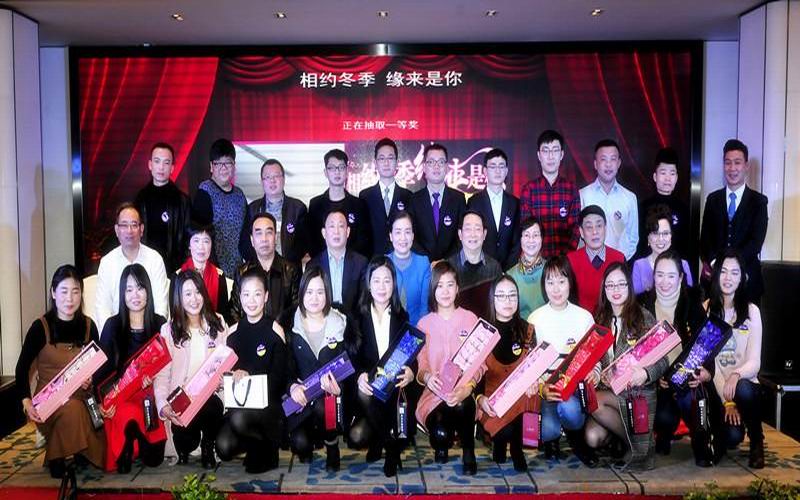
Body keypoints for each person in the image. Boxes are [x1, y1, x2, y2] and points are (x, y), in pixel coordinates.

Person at [16, 265, 105, 478]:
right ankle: (62, 454)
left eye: (75, 291)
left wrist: (91, 380)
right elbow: (21, 368)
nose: (70, 299)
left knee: (97, 427)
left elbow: (98, 368)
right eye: (64, 291)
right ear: (53, 293)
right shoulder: (40, 327)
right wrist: (26, 402)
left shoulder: (89, 326)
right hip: (49, 403)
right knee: (73, 409)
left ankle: (67, 450)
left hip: (83, 397)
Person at [585, 263, 665, 471]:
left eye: (621, 284)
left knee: (595, 401)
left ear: (629, 286)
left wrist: (646, 373)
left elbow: (663, 360)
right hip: (609, 390)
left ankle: (638, 447)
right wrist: (596, 373)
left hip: (635, 393)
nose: (616, 290)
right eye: (610, 285)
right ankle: (624, 440)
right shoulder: (599, 318)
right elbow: (593, 357)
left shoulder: (643, 317)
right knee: (592, 437)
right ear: (604, 289)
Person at [637, 250, 709, 465]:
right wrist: (653, 375)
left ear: (680, 277)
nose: (664, 282)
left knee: (691, 399)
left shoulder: (693, 304)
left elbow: (705, 344)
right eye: (659, 275)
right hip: (660, 380)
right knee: (663, 417)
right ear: (653, 276)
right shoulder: (643, 305)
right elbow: (637, 351)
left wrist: (704, 372)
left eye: (671, 276)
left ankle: (701, 442)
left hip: (689, 378)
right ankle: (663, 434)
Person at [94, 264, 167, 473]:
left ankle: (136, 438)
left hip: (149, 397)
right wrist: (101, 402)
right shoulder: (112, 326)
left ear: (148, 291)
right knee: (128, 414)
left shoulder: (160, 324)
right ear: (122, 294)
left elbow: (167, 365)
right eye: (129, 289)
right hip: (122, 399)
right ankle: (128, 439)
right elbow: (100, 372)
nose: (135, 295)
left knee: (155, 459)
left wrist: (155, 380)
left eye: (140, 288)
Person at [216, 267, 290, 473]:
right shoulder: (232, 334)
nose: (251, 300)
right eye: (246, 294)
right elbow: (226, 375)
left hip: (268, 408)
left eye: (257, 294)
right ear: (239, 297)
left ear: (265, 297)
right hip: (240, 406)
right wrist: (224, 380)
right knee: (223, 447)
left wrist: (249, 377)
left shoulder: (275, 330)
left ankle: (269, 448)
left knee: (239, 419)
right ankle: (255, 446)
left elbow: (279, 380)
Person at [154, 270, 229, 469]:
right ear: (179, 297)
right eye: (187, 294)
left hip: (210, 398)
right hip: (180, 403)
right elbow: (162, 375)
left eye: (197, 292)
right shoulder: (168, 331)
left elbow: (227, 364)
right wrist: (163, 405)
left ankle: (208, 445)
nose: (194, 299)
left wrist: (223, 380)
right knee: (186, 442)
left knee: (211, 406)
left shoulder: (218, 323)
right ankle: (188, 444)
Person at [527, 256, 598, 466]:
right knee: (546, 431)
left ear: (570, 283)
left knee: (569, 410)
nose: (556, 289)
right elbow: (528, 365)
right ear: (544, 286)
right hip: (547, 391)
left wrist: (595, 371)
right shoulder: (535, 319)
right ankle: (553, 437)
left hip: (575, 391)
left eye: (561, 281)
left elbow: (596, 356)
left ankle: (575, 438)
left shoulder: (584, 317)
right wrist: (542, 389)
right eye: (550, 282)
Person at [349, 257, 414, 477]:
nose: (382, 286)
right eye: (376, 280)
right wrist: (359, 375)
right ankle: (390, 444)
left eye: (387, 280)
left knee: (401, 430)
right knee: (356, 437)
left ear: (393, 284)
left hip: (394, 391)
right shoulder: (357, 316)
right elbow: (352, 357)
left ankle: (382, 440)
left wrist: (411, 372)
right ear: (368, 284)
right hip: (368, 393)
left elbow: (410, 353)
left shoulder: (401, 316)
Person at [415, 261, 480, 475]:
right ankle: (444, 439)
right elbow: (421, 365)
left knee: (462, 404)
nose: (445, 291)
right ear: (433, 290)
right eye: (440, 285)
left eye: (450, 285)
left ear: (458, 288)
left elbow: (480, 363)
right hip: (434, 396)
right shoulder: (424, 324)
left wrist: (468, 388)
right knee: (440, 435)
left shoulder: (470, 319)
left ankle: (468, 450)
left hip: (462, 393)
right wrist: (427, 378)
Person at [285, 265, 350, 472]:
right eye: (309, 292)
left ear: (327, 294)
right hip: (302, 401)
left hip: (330, 399)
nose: (314, 298)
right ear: (301, 293)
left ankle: (332, 445)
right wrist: (292, 387)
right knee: (300, 444)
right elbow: (284, 369)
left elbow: (349, 366)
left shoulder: (340, 324)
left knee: (325, 406)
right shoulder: (288, 326)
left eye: (320, 292)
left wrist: (339, 388)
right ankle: (311, 441)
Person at [706, 249, 764, 468]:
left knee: (744, 389)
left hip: (745, 385)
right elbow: (711, 364)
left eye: (734, 272)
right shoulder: (706, 310)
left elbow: (755, 363)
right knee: (732, 437)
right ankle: (728, 430)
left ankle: (757, 440)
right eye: (723, 271)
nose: (728, 278)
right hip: (719, 388)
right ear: (716, 274)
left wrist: (737, 375)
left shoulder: (752, 311)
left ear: (742, 278)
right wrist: (728, 402)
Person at [476, 275, 534, 472]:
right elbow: (475, 373)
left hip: (520, 397)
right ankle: (498, 441)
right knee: (503, 431)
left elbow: (534, 366)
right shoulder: (483, 331)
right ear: (492, 299)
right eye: (501, 296)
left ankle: (517, 450)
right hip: (492, 398)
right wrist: (480, 398)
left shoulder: (528, 330)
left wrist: (534, 381)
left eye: (512, 295)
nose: (507, 301)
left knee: (529, 393)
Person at [700, 139, 768, 304]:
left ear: (746, 166)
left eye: (737, 163)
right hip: (714, 281)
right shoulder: (712, 199)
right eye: (728, 163)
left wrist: (733, 268)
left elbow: (755, 243)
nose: (732, 168)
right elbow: (705, 240)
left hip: (748, 279)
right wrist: (717, 266)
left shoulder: (759, 202)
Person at [95, 203, 169, 332]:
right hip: (117, 334)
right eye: (124, 225)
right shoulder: (107, 263)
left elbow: (161, 306)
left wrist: (154, 337)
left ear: (141, 229)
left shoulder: (155, 259)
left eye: (134, 225)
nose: (129, 230)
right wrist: (109, 336)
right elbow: (102, 308)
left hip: (150, 333)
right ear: (117, 230)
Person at [519, 130, 581, 258]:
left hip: (564, 262)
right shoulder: (529, 190)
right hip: (536, 261)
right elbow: (526, 230)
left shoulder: (571, 189)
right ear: (539, 155)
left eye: (555, 150)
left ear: (562, 154)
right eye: (546, 151)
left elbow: (575, 229)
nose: (550, 156)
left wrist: (563, 261)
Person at [192, 138, 248, 277]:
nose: (223, 168)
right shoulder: (205, 191)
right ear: (211, 166)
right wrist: (216, 272)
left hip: (238, 271)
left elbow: (246, 235)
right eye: (218, 163)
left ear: (234, 166)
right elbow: (200, 235)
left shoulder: (239, 195)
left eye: (228, 163)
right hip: (212, 271)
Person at [231, 213, 300, 325]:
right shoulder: (242, 272)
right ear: (252, 240)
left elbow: (296, 309)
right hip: (249, 333)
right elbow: (234, 311)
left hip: (282, 334)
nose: (264, 239)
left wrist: (278, 331)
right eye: (259, 233)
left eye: (269, 232)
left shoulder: (291, 271)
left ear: (276, 238)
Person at [134, 142, 192, 273]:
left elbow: (189, 239)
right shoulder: (140, 199)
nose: (161, 167)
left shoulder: (182, 201)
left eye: (166, 163)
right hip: (145, 268)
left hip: (174, 270)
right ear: (150, 165)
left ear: (172, 168)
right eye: (157, 161)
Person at [241, 158, 308, 266]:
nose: (272, 181)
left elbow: (303, 244)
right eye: (267, 177)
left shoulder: (298, 208)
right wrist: (260, 264)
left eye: (276, 176)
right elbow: (245, 244)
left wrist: (283, 266)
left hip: (290, 271)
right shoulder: (252, 209)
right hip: (259, 270)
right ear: (262, 182)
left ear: (284, 179)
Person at [579, 139, 639, 260]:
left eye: (613, 159)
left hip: (619, 265)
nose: (608, 164)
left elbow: (633, 238)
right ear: (595, 164)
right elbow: (579, 236)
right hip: (590, 264)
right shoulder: (583, 195)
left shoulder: (630, 198)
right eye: (603, 159)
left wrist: (621, 260)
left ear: (619, 163)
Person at [408, 143, 467, 262]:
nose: (436, 166)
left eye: (441, 162)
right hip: (422, 264)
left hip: (451, 265)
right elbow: (411, 236)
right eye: (431, 162)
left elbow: (462, 236)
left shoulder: (458, 199)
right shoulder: (414, 200)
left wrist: (445, 262)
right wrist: (427, 261)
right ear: (424, 167)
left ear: (447, 168)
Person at [307, 149, 371, 258]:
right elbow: (312, 242)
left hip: (353, 264)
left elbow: (364, 242)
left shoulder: (359, 205)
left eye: (341, 167)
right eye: (332, 168)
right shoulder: (315, 205)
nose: (337, 172)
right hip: (322, 264)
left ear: (347, 171)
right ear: (325, 172)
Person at [466, 148, 521, 268]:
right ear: (485, 171)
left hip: (509, 270)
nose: (497, 171)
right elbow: (471, 238)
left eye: (501, 166)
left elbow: (517, 241)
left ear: (506, 171)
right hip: (481, 268)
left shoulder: (515, 203)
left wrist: (508, 270)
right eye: (493, 166)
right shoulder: (474, 202)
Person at [359, 138, 413, 257]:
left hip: (400, 259)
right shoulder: (365, 196)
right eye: (382, 158)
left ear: (397, 162)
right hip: (373, 260)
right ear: (375, 163)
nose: (386, 163)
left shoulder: (408, 196)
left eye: (390, 158)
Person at [308, 210, 368, 314]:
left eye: (341, 226)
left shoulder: (361, 263)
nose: (336, 232)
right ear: (324, 233)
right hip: (323, 320)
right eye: (332, 226)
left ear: (347, 232)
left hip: (352, 321)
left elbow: (363, 303)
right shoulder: (313, 265)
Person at [567, 205, 625, 313]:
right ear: (581, 232)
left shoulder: (619, 259)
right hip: (582, 320)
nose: (595, 232)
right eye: (589, 227)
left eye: (599, 226)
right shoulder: (570, 261)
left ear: (605, 229)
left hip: (613, 319)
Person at [446, 210, 502, 318]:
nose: (473, 234)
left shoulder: (494, 267)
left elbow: (498, 306)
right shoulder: (448, 268)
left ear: (484, 234)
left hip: (487, 325)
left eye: (477, 229)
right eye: (468, 229)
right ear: (460, 234)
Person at [637, 147, 690, 261]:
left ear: (677, 177)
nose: (667, 178)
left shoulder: (684, 209)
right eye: (663, 172)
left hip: (675, 266)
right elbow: (640, 243)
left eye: (672, 173)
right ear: (655, 176)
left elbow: (687, 246)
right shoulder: (643, 207)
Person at [175, 223, 230, 320]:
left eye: (206, 241)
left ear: (211, 245)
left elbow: (223, 314)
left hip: (213, 327)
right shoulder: (177, 276)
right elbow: (175, 313)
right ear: (189, 245)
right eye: (196, 241)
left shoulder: (219, 276)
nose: (201, 247)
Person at [631, 210, 693, 295]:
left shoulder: (683, 265)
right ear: (648, 238)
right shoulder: (639, 265)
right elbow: (636, 299)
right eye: (655, 233)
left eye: (665, 233)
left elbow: (689, 297)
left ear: (671, 236)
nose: (660, 239)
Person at [387, 212, 431, 326]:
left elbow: (424, 308)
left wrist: (418, 332)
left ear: (412, 236)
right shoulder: (383, 264)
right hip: (388, 329)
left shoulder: (423, 263)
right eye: (398, 232)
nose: (403, 238)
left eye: (407, 232)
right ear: (391, 236)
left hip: (417, 327)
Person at [506, 217, 547, 319]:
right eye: (526, 235)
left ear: (542, 239)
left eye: (535, 235)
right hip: (521, 327)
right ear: (520, 239)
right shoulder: (510, 276)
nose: (531, 240)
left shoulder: (552, 270)